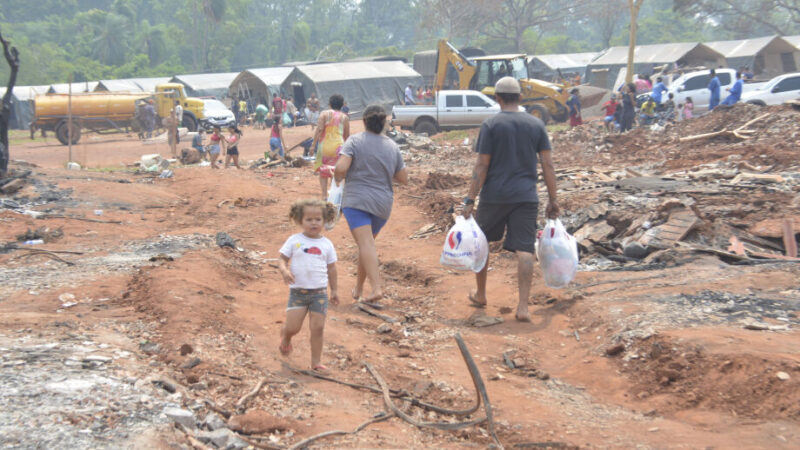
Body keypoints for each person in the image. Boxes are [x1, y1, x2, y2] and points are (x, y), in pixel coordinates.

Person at [462, 77, 560, 322]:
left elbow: (482, 165)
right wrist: (553, 199)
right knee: (525, 249)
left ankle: (481, 294)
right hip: (526, 197)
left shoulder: (491, 125)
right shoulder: (536, 125)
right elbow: (547, 164)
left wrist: (469, 199)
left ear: (497, 98)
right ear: (520, 97)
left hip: (494, 196)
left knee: (482, 244)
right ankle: (523, 306)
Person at [333, 105, 408, 303]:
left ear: (364, 121)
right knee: (367, 246)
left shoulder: (355, 141)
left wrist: (338, 178)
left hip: (357, 201)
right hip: (382, 205)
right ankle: (358, 289)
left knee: (366, 244)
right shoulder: (392, 146)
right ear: (384, 122)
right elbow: (403, 178)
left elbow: (341, 167)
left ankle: (375, 288)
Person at [278, 199, 339, 371]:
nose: (314, 223)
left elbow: (332, 268)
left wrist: (334, 290)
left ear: (325, 220)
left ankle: (316, 362)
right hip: (298, 293)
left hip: (319, 293)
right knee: (293, 327)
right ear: (300, 221)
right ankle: (286, 337)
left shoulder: (327, 244)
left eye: (318, 219)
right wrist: (284, 271)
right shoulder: (294, 240)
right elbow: (282, 259)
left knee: (318, 328)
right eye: (309, 219)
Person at [313, 94, 351, 197]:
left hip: (324, 146)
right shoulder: (345, 117)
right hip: (339, 147)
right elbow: (347, 135)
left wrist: (313, 145)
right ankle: (334, 195)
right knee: (336, 171)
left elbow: (319, 129)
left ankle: (324, 195)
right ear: (342, 105)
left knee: (323, 172)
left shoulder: (324, 114)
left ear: (329, 104)